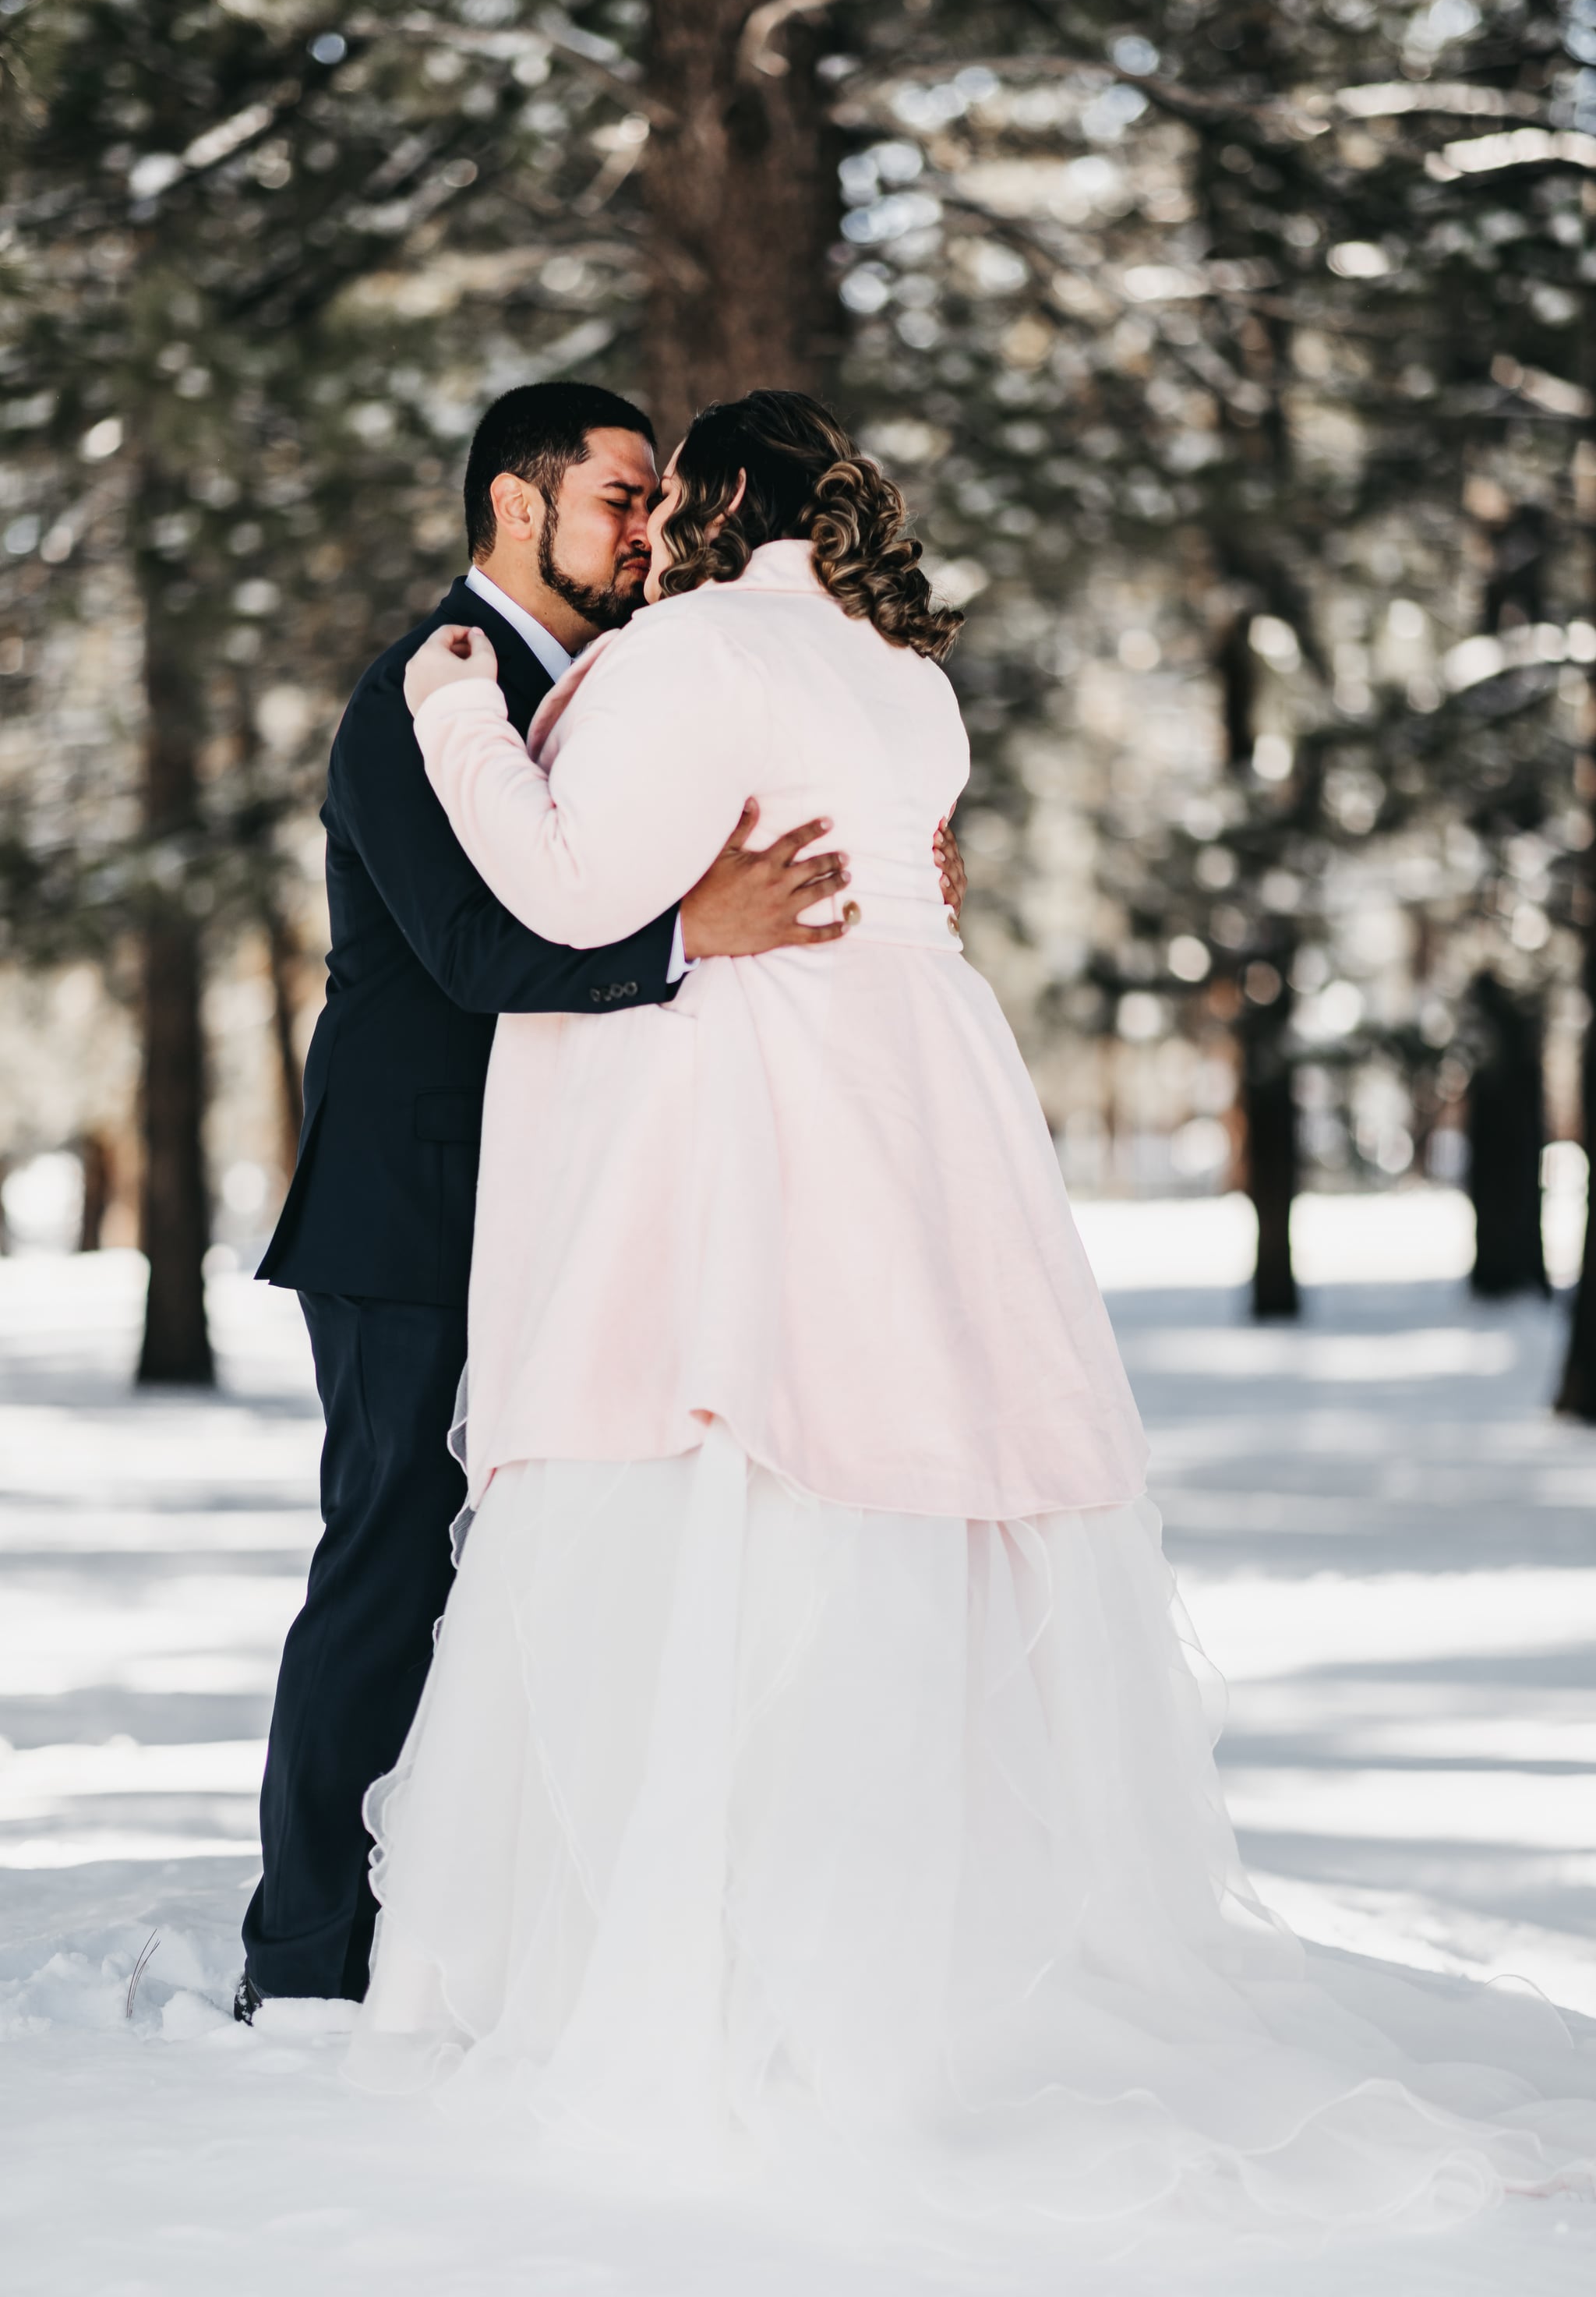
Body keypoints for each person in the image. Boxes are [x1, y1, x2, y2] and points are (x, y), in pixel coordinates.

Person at [348, 391, 1594, 2252]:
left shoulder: (694, 649)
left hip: (741, 1154)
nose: (653, 520)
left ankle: (689, 1963)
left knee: (708, 1497)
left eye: (668, 489)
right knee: (868, 1510)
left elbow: (571, 888)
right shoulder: (904, 682)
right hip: (915, 1144)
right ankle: (914, 1941)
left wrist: (458, 713)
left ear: (718, 501)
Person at [240, 380, 968, 2016]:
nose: (652, 529)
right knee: (389, 1565)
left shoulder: (645, 678)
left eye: (661, 500)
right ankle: (301, 1952)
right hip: (417, 1211)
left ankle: (483, 1918)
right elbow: (482, 954)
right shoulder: (421, 694)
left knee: (541, 1577)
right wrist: (691, 936)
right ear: (517, 504)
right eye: (620, 498)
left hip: (586, 1206)